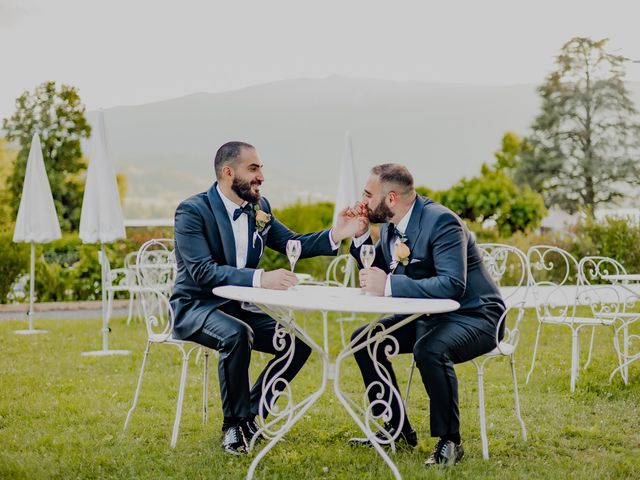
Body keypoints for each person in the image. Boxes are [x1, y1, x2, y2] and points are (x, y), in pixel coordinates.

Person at [170, 141, 361, 455]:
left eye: (261, 169)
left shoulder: (260, 208)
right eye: (254, 168)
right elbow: (202, 272)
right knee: (236, 334)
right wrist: (262, 279)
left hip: (237, 307)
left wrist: (338, 233)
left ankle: (252, 416)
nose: (261, 177)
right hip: (195, 306)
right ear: (228, 172)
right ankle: (232, 426)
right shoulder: (193, 211)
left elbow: (293, 244)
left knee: (296, 344)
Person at [347, 163, 505, 466]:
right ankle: (396, 430)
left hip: (477, 316)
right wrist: (360, 237)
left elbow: (452, 284)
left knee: (429, 348)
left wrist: (390, 284)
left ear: (390, 198)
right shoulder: (393, 224)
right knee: (365, 340)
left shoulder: (442, 221)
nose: (362, 202)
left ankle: (450, 441)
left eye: (368, 195)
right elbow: (375, 267)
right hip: (431, 316)